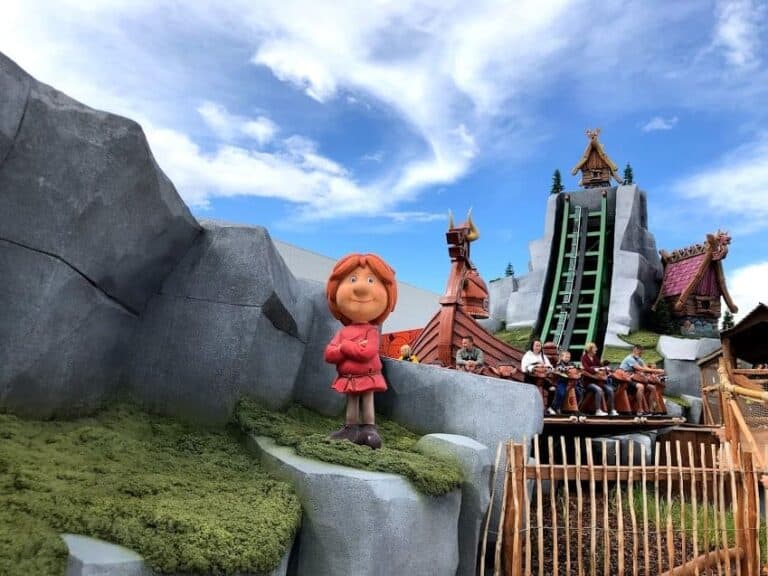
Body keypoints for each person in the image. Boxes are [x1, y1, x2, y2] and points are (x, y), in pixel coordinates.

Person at [325, 253, 398, 449]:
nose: (360, 287)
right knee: (351, 401)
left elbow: (368, 353)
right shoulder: (344, 331)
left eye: (370, 280)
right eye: (353, 279)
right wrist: (350, 348)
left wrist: (345, 348)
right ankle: (350, 429)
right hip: (348, 376)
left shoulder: (371, 331)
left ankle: (369, 428)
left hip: (368, 375)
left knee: (367, 399)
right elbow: (329, 354)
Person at [619, 344, 664, 415]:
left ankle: (651, 410)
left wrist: (655, 373)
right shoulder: (629, 359)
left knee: (653, 388)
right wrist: (656, 370)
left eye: (641, 353)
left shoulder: (639, 359)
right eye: (639, 352)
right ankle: (640, 410)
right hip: (625, 380)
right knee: (640, 386)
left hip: (634, 379)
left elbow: (645, 368)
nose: (640, 354)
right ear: (635, 350)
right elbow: (639, 368)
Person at [579, 342, 616, 416]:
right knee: (599, 390)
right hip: (588, 382)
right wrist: (595, 370)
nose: (596, 349)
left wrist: (606, 368)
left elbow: (600, 365)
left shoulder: (595, 357)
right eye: (595, 348)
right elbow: (586, 368)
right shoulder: (584, 358)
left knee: (610, 390)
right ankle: (598, 410)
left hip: (598, 381)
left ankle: (611, 410)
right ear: (590, 349)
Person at [547, 350, 578, 415]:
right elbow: (559, 369)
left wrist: (576, 368)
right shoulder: (559, 364)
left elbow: (575, 368)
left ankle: (573, 409)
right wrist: (566, 368)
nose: (567, 359)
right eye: (566, 357)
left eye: (569, 357)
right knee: (561, 393)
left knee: (578, 392)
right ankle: (553, 407)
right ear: (561, 357)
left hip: (570, 381)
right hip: (561, 382)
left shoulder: (571, 363)